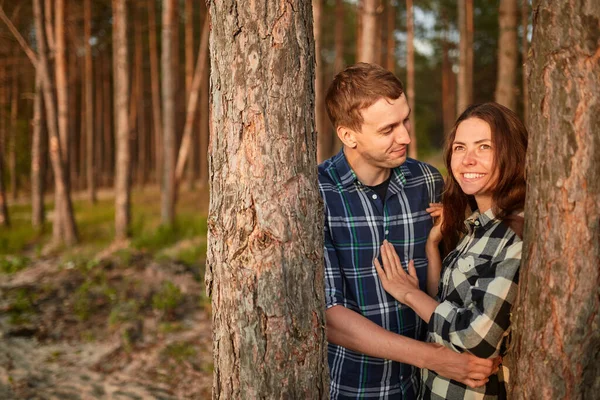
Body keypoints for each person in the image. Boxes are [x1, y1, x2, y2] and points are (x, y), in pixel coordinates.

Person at [319, 63, 497, 399]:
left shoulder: (427, 182)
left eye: (406, 120)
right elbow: (330, 316)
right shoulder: (318, 194)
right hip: (353, 387)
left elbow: (450, 287)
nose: (406, 137)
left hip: (428, 388)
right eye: (388, 129)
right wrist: (436, 359)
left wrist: (443, 242)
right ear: (348, 135)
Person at [375, 102, 527, 399]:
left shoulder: (513, 233)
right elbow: (445, 307)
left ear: (512, 152)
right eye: (460, 148)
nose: (468, 160)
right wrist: (434, 247)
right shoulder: (478, 227)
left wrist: (408, 294)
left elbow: (476, 337)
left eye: (484, 147)